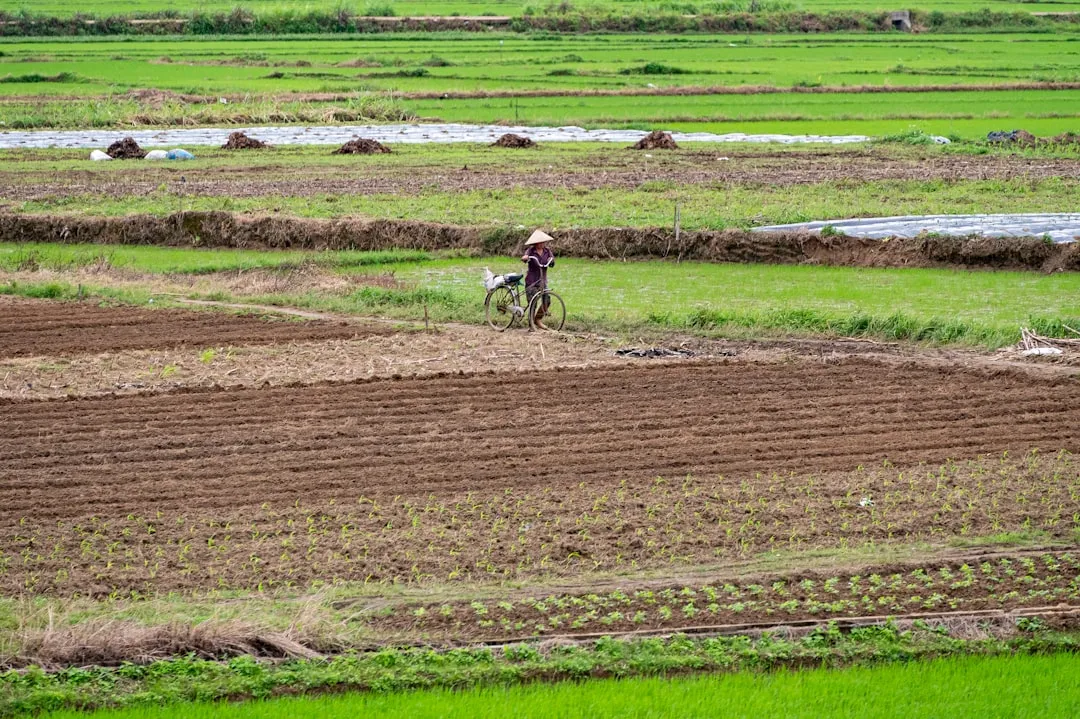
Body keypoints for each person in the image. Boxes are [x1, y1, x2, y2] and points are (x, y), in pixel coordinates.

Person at [521, 229, 555, 328]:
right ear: (536, 243)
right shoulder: (531, 251)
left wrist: (551, 260)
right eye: (540, 242)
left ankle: (538, 319)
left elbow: (552, 262)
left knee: (547, 300)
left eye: (543, 242)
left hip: (542, 280)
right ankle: (531, 323)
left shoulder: (547, 251)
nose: (542, 244)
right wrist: (525, 258)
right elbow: (525, 257)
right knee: (533, 302)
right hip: (532, 280)